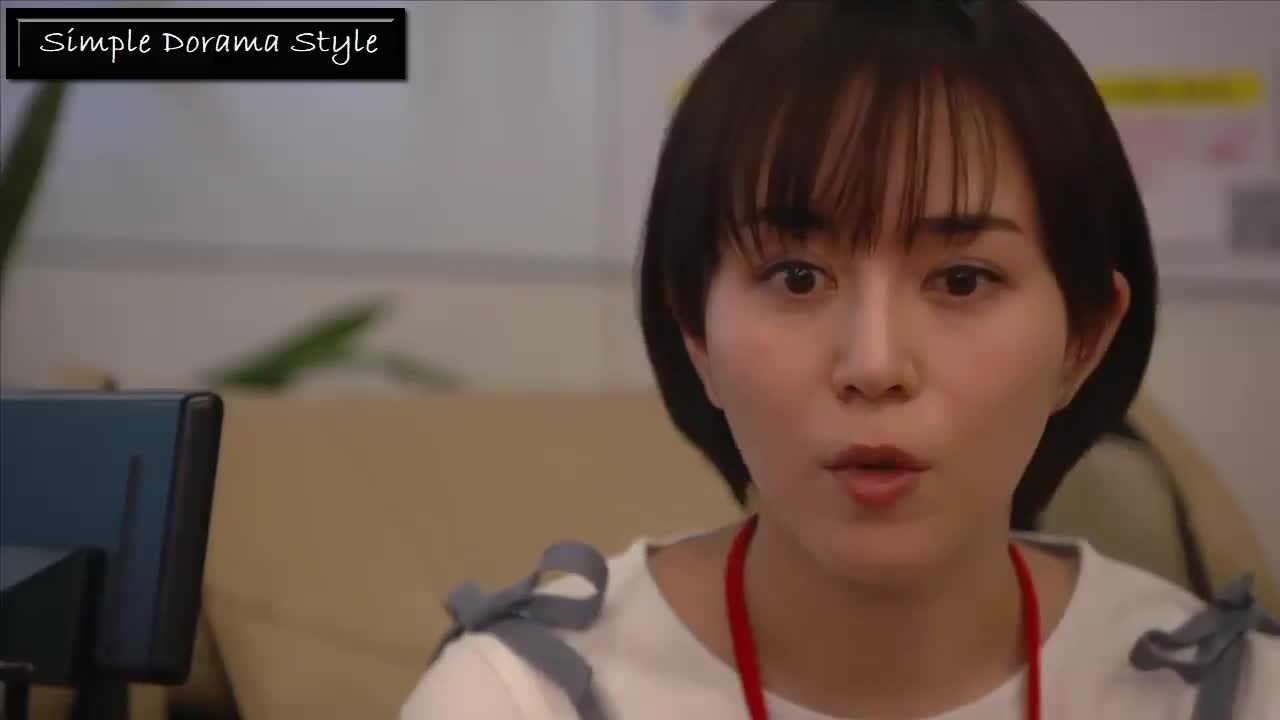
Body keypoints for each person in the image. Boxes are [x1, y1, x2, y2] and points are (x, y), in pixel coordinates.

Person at [401, 1, 1280, 718]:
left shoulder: (1229, 697)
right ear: (694, 329)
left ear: (1084, 338)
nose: (874, 363)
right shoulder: (521, 701)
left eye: (962, 279)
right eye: (797, 276)